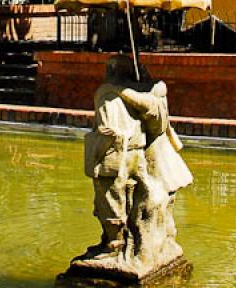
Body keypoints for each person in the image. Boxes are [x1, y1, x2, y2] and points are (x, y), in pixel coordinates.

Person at [80, 55, 191, 275]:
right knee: (133, 199)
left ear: (112, 70)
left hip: (115, 154)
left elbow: (106, 131)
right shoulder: (145, 93)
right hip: (137, 154)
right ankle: (128, 243)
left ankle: (113, 246)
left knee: (109, 197)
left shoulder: (106, 94)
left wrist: (95, 157)